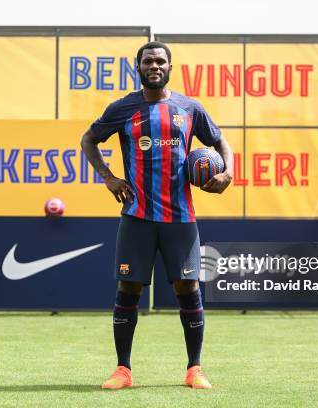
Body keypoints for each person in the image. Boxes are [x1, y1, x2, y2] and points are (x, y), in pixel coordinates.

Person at [80, 41, 233, 390]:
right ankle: (123, 370)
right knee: (128, 288)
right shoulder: (123, 108)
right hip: (136, 216)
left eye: (160, 61)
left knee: (187, 287)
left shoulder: (189, 108)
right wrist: (108, 176)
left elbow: (221, 142)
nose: (154, 65)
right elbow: (88, 139)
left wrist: (227, 173)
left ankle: (195, 369)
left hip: (180, 219)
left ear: (169, 67)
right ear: (139, 66)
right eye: (148, 60)